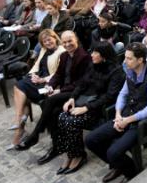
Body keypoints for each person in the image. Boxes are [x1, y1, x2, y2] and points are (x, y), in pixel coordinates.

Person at [85, 42, 147, 183]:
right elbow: (123, 94)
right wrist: (117, 114)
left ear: (140, 60)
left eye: (129, 58)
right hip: (126, 116)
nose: (124, 61)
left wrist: (127, 120)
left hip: (143, 123)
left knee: (113, 152)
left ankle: (132, 173)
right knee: (91, 140)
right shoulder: (130, 70)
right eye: (125, 57)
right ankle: (120, 166)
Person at [16, 31, 92, 160]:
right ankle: (57, 146)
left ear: (76, 40)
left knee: (50, 100)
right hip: (64, 91)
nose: (67, 44)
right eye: (65, 42)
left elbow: (80, 83)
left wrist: (60, 91)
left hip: (77, 93)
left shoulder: (84, 57)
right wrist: (50, 85)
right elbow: (58, 75)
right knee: (52, 110)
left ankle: (36, 135)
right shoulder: (64, 56)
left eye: (70, 41)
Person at [53, 42, 125, 175]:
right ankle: (71, 153)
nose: (91, 55)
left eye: (95, 53)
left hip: (99, 107)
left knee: (71, 121)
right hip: (85, 100)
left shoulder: (116, 71)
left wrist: (86, 108)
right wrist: (72, 98)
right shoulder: (93, 65)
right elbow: (82, 83)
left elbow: (109, 97)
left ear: (103, 56)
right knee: (62, 116)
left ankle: (79, 156)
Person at [8, 30, 66, 149]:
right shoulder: (44, 50)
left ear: (55, 38)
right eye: (44, 41)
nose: (47, 43)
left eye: (49, 39)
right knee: (21, 85)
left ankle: (19, 123)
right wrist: (32, 75)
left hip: (50, 85)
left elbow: (59, 74)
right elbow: (36, 64)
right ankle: (20, 123)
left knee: (20, 86)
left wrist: (42, 80)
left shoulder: (62, 52)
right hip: (39, 81)